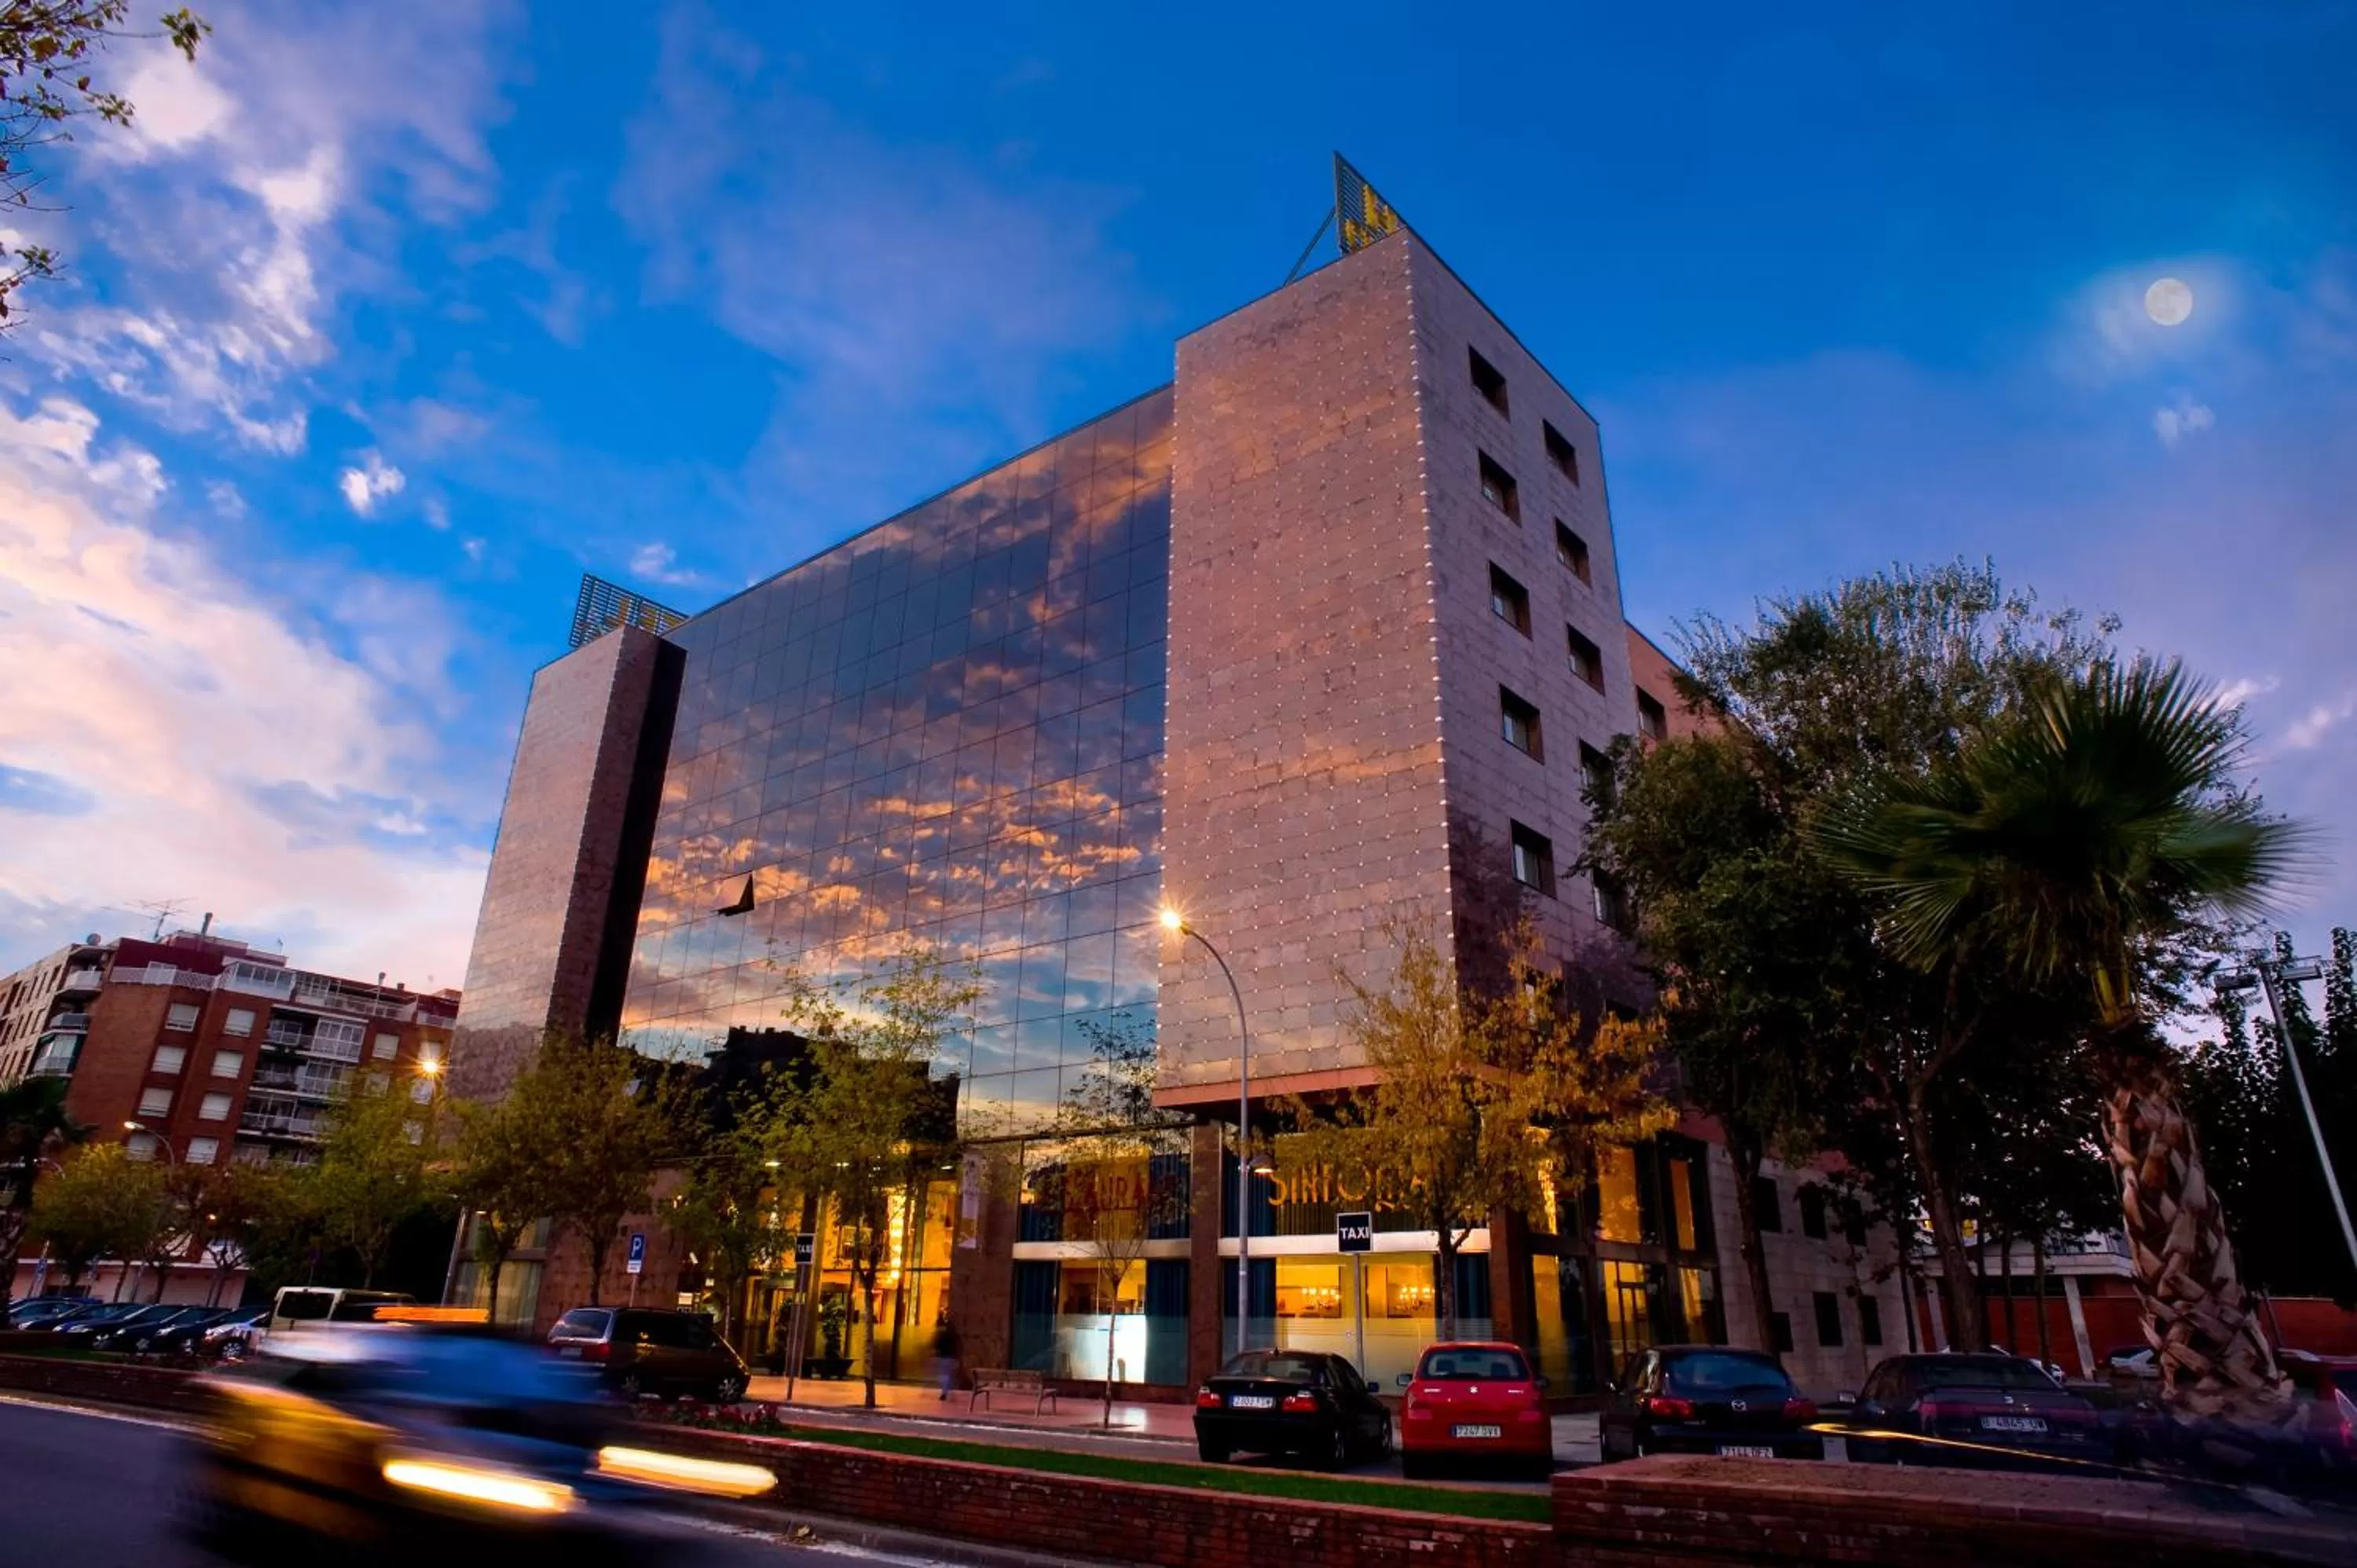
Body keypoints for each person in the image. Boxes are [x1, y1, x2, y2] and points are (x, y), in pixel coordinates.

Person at [932, 1315, 961, 1400]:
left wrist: (936, 1353)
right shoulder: (954, 1335)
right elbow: (957, 1347)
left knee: (944, 1375)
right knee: (947, 1375)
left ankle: (945, 1392)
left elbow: (937, 1345)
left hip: (944, 1357)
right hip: (951, 1357)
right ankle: (947, 1390)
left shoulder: (942, 1335)